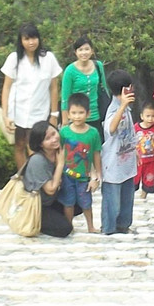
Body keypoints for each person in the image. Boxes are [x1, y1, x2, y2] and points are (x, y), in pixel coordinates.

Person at [0, 23, 62, 168]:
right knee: (19, 145)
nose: (31, 42)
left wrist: (54, 114)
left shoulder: (48, 58)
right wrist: (5, 114)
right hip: (18, 111)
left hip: (40, 112)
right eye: (27, 39)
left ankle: (37, 179)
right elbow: (7, 88)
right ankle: (23, 178)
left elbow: (53, 88)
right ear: (21, 41)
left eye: (34, 38)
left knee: (36, 147)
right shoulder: (14, 59)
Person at [55, 93, 102, 233]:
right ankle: (69, 225)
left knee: (86, 203)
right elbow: (59, 152)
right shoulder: (64, 132)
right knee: (68, 202)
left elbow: (96, 154)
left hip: (84, 176)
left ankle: (91, 226)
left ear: (88, 113)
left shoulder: (93, 133)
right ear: (68, 114)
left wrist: (98, 175)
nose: (77, 116)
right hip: (67, 175)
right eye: (73, 113)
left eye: (81, 113)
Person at [100, 70, 138, 235]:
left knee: (127, 198)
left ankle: (124, 225)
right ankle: (108, 228)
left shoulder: (128, 109)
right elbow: (111, 128)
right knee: (112, 200)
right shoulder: (114, 108)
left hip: (127, 161)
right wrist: (122, 106)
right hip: (113, 164)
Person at [22, 121, 72, 238]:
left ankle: (55, 218)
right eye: (48, 138)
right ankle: (36, 222)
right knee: (65, 229)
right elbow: (50, 189)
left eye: (54, 133)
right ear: (41, 144)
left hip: (52, 201)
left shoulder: (58, 152)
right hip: (38, 205)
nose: (54, 139)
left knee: (78, 201)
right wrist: (60, 165)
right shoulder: (38, 160)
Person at [59, 35, 108, 140]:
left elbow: (104, 88)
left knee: (97, 147)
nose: (84, 52)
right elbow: (65, 97)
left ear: (92, 51)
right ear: (75, 52)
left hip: (95, 115)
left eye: (87, 49)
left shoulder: (98, 65)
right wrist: (65, 122)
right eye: (80, 50)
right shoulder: (70, 71)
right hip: (76, 116)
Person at [134, 100, 154, 201]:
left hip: (151, 160)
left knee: (149, 178)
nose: (150, 119)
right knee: (134, 178)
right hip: (138, 160)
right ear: (141, 116)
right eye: (147, 116)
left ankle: (144, 195)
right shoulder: (136, 128)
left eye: (153, 116)